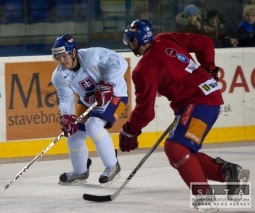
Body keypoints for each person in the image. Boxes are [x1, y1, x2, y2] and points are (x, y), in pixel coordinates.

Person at [120, 19, 250, 212]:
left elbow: (145, 111)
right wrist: (210, 69)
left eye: (130, 40)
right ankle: (227, 173)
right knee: (184, 149)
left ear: (136, 40)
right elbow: (205, 42)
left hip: (198, 103)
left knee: (176, 148)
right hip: (207, 99)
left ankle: (204, 198)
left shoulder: (143, 70)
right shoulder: (166, 38)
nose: (129, 45)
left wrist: (130, 131)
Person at [51, 34, 128, 187]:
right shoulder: (59, 75)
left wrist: (108, 84)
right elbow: (66, 99)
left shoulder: (92, 56)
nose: (62, 61)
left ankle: (113, 166)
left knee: (93, 125)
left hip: (115, 94)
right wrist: (67, 116)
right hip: (87, 101)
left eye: (64, 56)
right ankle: (80, 172)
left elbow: (120, 62)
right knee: (73, 136)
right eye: (58, 57)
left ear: (73, 52)